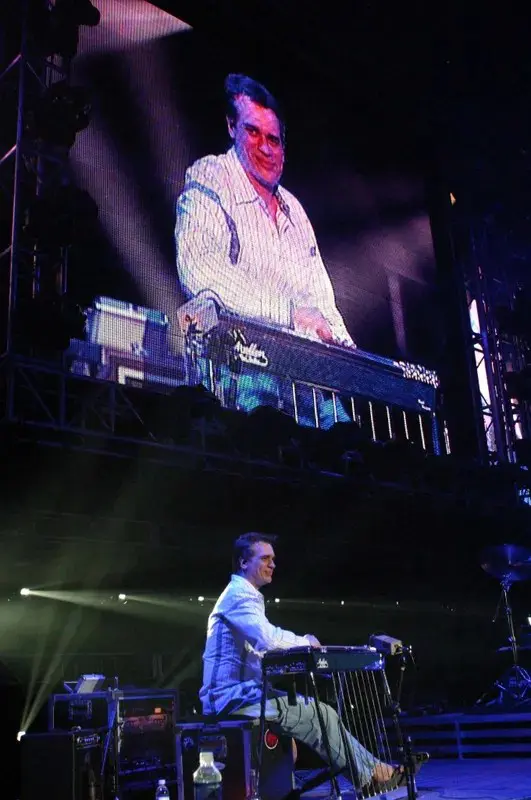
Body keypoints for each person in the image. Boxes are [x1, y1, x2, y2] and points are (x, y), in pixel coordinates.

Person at [200, 532, 412, 791]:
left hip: (245, 694)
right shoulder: (238, 595)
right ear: (244, 562)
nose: (273, 564)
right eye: (265, 558)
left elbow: (261, 651)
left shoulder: (245, 596)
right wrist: (306, 642)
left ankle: (371, 773)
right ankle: (372, 775)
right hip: (231, 699)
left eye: (274, 559)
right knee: (321, 713)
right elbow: (268, 639)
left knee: (315, 713)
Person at [175, 73, 354, 348]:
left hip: (301, 374)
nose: (265, 149)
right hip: (236, 370)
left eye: (273, 139)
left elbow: (322, 303)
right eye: (253, 132)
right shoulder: (210, 175)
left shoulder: (295, 209)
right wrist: (289, 315)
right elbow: (199, 267)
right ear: (232, 127)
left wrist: (348, 352)